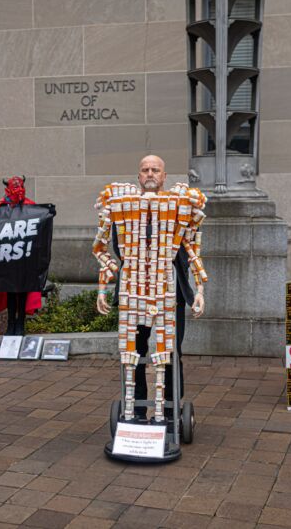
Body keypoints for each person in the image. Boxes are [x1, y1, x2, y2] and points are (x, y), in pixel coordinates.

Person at [96, 155, 205, 421]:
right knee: (134, 351)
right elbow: (104, 249)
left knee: (169, 350)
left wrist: (199, 290)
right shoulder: (122, 206)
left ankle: (169, 411)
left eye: (155, 170)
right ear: (138, 176)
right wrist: (103, 286)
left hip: (170, 291)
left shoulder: (179, 206)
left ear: (164, 176)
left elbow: (192, 248)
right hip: (133, 291)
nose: (150, 174)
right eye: (145, 170)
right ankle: (136, 410)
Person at [0, 176, 41, 335]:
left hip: (24, 257)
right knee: (11, 292)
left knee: (23, 291)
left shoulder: (30, 207)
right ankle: (11, 323)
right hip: (7, 257)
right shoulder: (0, 207)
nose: (18, 190)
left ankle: (21, 324)